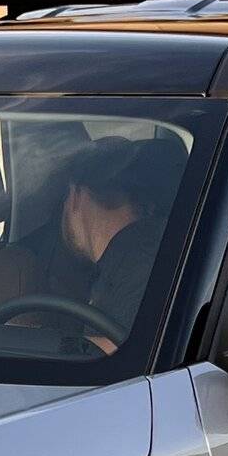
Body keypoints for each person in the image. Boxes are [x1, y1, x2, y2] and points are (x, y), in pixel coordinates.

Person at [52, 136, 175, 350]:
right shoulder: (159, 249)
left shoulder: (142, 264)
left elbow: (124, 353)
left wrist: (27, 343)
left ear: (75, 195)